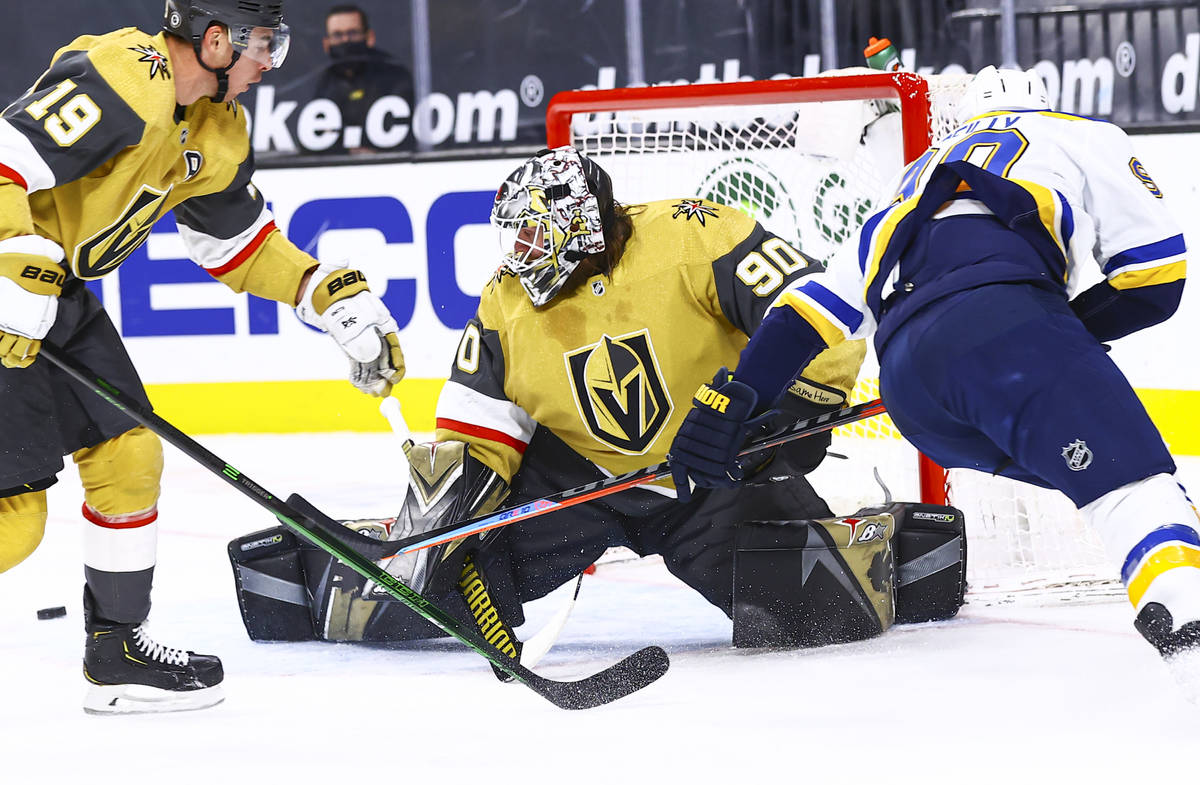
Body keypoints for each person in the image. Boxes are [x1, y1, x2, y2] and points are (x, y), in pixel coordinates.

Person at [229, 146, 969, 655]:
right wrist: (447, 541)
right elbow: (472, 434)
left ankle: (893, 536)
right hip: (575, 479)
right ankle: (337, 557)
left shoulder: (695, 234)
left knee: (812, 610)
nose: (517, 256)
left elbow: (813, 306)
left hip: (709, 472)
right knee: (422, 599)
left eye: (530, 236)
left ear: (574, 222)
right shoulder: (506, 304)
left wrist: (800, 403)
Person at [668, 67, 1200, 671]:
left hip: (914, 397)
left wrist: (736, 401)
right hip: (1007, 330)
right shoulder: (1080, 135)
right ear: (1045, 105)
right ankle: (1189, 621)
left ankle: (1174, 557)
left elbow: (805, 314)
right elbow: (1155, 283)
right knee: (1132, 490)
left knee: (1101, 479)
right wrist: (1053, 336)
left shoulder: (915, 180)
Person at [0, 0, 405, 714]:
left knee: (129, 455)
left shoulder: (218, 128)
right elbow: (5, 158)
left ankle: (117, 649)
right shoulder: (128, 75)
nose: (268, 64)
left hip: (48, 293)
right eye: (261, 45)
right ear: (214, 40)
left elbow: (235, 244)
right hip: (13, 280)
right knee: (17, 521)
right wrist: (7, 258)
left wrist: (320, 291)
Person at [312, 4, 414, 153]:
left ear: (369, 37)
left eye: (353, 33)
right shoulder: (323, 81)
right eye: (337, 35)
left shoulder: (394, 76)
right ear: (326, 44)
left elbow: (401, 134)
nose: (346, 40)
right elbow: (315, 135)